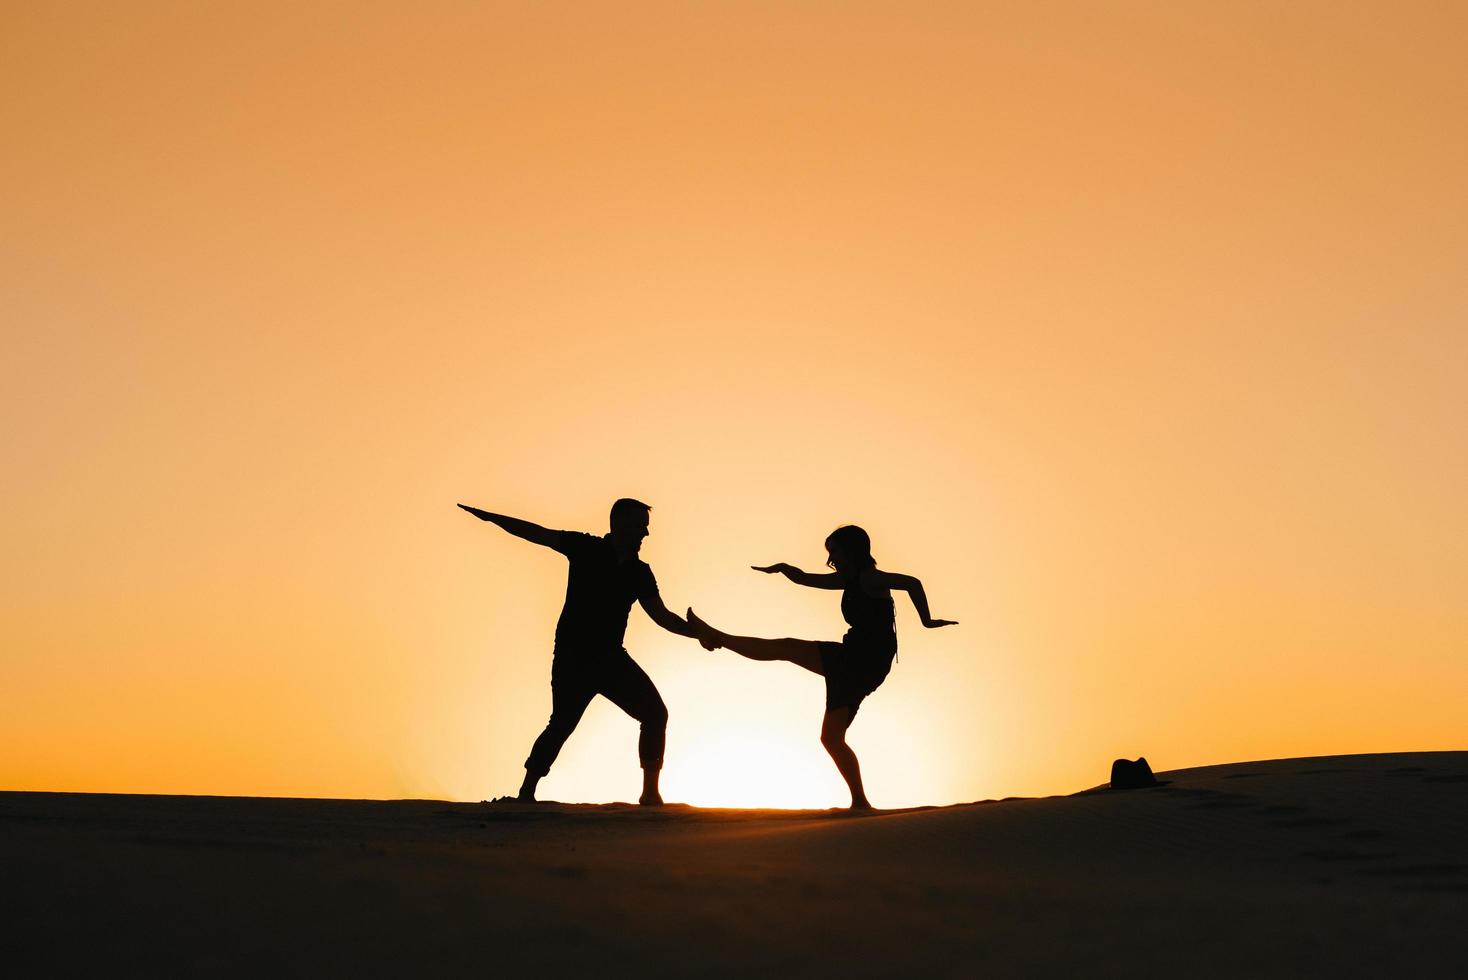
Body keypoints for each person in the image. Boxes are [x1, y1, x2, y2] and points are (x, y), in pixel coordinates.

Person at [687, 525, 955, 810]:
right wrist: (785, 569)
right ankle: (861, 802)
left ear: (852, 551)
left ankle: (717, 637)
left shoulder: (870, 578)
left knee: (786, 649)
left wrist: (926, 620)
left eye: (835, 552)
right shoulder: (848, 580)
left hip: (863, 660)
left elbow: (912, 582)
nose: (831, 559)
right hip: (857, 658)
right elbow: (805, 579)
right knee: (830, 737)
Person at [459, 498, 699, 806]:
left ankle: (650, 793)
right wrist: (492, 518)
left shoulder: (639, 572)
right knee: (561, 723)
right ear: (621, 524)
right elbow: (537, 533)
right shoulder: (585, 548)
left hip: (611, 658)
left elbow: (662, 616)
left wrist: (698, 634)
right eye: (641, 526)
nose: (646, 534)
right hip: (574, 656)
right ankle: (526, 793)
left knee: (655, 713)